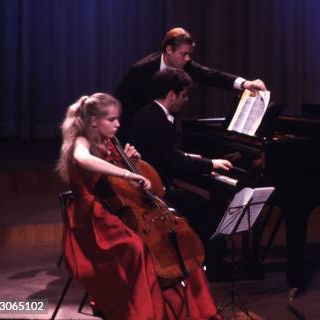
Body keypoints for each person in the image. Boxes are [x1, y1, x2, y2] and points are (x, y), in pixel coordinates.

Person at [56, 93, 219, 320]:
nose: (118, 124)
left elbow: (116, 187)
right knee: (137, 248)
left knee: (176, 241)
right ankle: (143, 313)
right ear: (94, 121)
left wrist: (131, 161)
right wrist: (126, 172)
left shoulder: (111, 141)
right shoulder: (81, 141)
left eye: (118, 119)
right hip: (91, 219)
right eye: (111, 119)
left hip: (113, 211)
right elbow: (84, 160)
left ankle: (190, 308)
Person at [130, 68, 234, 276]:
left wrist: (192, 158)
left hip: (158, 183)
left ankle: (206, 260)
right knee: (205, 209)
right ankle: (210, 267)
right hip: (155, 193)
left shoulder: (151, 113)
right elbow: (171, 159)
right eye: (184, 95)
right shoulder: (156, 118)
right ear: (171, 95)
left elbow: (166, 152)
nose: (186, 100)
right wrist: (210, 164)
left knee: (202, 205)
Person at [115, 27, 267, 141]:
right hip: (136, 138)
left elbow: (211, 75)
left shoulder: (185, 65)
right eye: (183, 54)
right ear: (168, 50)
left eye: (189, 54)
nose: (187, 59)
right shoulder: (141, 70)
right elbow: (121, 104)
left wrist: (244, 83)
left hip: (166, 135)